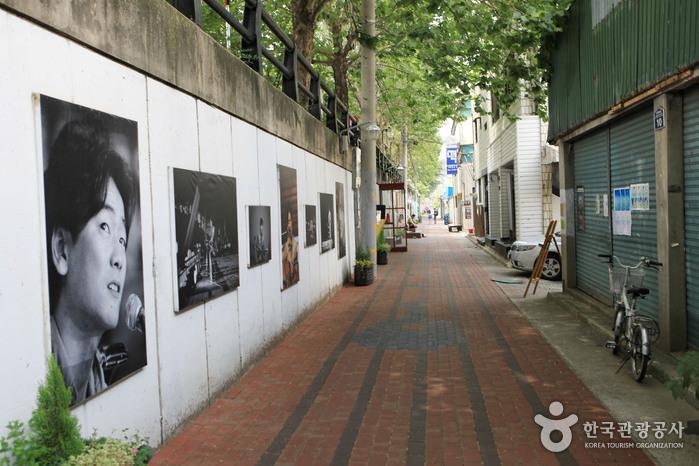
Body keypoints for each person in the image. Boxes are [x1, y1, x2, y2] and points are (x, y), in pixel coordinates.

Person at [44, 117, 136, 405]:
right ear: (61, 249)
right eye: (105, 227)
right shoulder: (40, 367)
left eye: (123, 239)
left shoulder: (96, 379)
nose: (120, 258)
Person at [282, 211, 299, 288]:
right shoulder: (284, 245)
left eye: (290, 221)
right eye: (288, 222)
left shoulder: (295, 242)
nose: (290, 226)